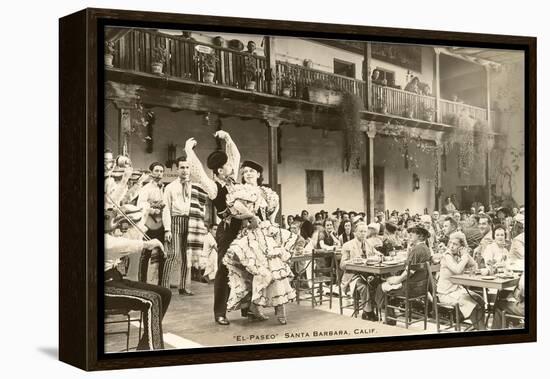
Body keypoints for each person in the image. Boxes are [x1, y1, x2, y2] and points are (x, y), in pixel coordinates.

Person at [223, 160, 298, 325]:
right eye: (245, 172)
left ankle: (280, 309)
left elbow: (271, 215)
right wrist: (250, 216)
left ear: (258, 174)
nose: (248, 174)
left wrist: (271, 226)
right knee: (255, 272)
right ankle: (255, 308)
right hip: (250, 234)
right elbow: (236, 211)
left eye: (252, 171)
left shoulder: (267, 192)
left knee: (275, 269)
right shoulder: (240, 191)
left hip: (267, 233)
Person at [183, 131, 242, 326]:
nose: (230, 167)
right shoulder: (214, 187)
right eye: (226, 166)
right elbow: (198, 172)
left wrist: (228, 138)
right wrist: (188, 151)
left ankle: (249, 308)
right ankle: (220, 313)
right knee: (224, 270)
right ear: (219, 171)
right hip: (227, 231)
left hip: (244, 229)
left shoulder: (233, 181)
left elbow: (235, 156)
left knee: (249, 266)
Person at [104, 210, 171, 351]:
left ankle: (145, 345)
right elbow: (118, 245)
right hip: (105, 286)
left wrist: (143, 214)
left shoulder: (110, 234)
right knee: (152, 300)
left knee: (164, 293)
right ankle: (154, 350)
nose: (111, 219)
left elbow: (130, 239)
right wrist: (147, 244)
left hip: (116, 278)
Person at [162, 155, 209, 296]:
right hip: (175, 221)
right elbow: (166, 208)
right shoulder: (170, 187)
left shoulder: (196, 187)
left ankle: (183, 286)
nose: (185, 170)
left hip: (191, 222)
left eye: (187, 167)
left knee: (186, 256)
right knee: (173, 255)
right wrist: (167, 229)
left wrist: (201, 224)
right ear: (177, 169)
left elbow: (202, 207)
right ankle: (164, 287)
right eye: (182, 167)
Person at [375, 224, 432, 325]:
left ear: (421, 236)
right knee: (390, 282)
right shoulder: (426, 249)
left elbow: (408, 272)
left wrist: (397, 280)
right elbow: (411, 266)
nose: (410, 234)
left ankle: (388, 319)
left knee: (381, 286)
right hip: (421, 287)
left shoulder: (417, 250)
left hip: (409, 288)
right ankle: (391, 312)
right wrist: (408, 250)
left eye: (413, 233)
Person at [437, 231, 486, 330]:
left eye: (455, 244)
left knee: (480, 299)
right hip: (446, 293)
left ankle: (480, 327)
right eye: (450, 243)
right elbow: (457, 270)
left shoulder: (459, 255)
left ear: (461, 246)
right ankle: (481, 329)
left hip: (457, 290)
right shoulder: (447, 255)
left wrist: (466, 254)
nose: (451, 246)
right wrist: (464, 257)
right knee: (471, 303)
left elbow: (474, 266)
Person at [340, 223, 381, 321]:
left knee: (378, 283)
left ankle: (374, 309)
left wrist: (377, 256)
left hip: (367, 273)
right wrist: (352, 261)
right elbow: (342, 265)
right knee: (363, 286)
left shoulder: (369, 244)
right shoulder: (347, 245)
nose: (363, 234)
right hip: (352, 275)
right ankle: (368, 311)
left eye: (365, 231)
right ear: (355, 233)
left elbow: (379, 255)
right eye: (361, 231)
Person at [136, 162, 166, 285]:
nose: (159, 173)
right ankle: (142, 282)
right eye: (156, 171)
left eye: (161, 171)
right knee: (146, 253)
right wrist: (153, 208)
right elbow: (140, 204)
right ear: (152, 172)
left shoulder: (164, 188)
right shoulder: (146, 188)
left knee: (162, 253)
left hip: (162, 224)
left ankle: (161, 283)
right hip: (149, 224)